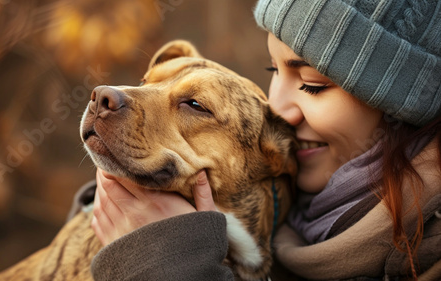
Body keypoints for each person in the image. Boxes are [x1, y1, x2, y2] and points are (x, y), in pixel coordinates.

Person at [71, 0, 441, 280]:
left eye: (313, 84)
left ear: (399, 108)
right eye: (273, 70)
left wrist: (164, 258)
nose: (276, 106)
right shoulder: (296, 209)